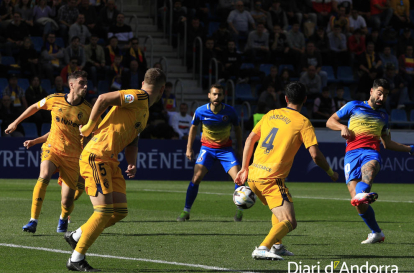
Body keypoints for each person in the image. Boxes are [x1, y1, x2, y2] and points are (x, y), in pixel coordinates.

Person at [63, 68, 166, 272]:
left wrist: (132, 162)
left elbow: (132, 140)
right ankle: (76, 259)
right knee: (103, 212)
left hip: (111, 160)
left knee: (119, 211)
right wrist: (90, 126)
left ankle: (76, 236)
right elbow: (102, 98)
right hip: (97, 156)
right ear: (162, 89)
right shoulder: (138, 96)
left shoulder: (143, 111)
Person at [234, 81, 339, 260]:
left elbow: (250, 139)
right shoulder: (303, 122)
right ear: (305, 99)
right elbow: (315, 155)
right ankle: (262, 248)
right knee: (289, 221)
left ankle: (277, 246)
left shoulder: (271, 114)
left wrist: (244, 168)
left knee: (278, 212)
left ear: (285, 98)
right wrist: (330, 172)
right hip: (271, 179)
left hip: (253, 175)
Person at [326, 78, 414, 244]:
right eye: (380, 93)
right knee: (358, 202)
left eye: (386, 95)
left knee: (370, 169)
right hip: (351, 155)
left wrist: (410, 148)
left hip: (371, 152)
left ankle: (363, 193)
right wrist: (342, 127)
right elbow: (330, 121)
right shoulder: (354, 105)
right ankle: (376, 233)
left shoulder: (383, 116)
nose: (382, 98)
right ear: (371, 91)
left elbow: (387, 144)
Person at [4, 71, 92, 234]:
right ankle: (33, 220)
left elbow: (94, 133)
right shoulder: (55, 99)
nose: (85, 86)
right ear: (71, 84)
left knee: (66, 201)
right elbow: (34, 107)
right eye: (82, 83)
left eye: (86, 83)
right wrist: (16, 122)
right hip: (53, 148)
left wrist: (85, 134)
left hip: (73, 156)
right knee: (44, 175)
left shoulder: (88, 110)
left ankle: (64, 217)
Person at [176, 84, 243, 222]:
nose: (217, 97)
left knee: (238, 179)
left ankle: (240, 209)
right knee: (196, 178)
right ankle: (186, 211)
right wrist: (189, 148)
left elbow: (237, 129)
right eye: (214, 94)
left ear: (223, 96)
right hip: (207, 149)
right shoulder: (200, 111)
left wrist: (240, 147)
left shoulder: (230, 112)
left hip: (225, 150)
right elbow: (193, 128)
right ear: (209, 95)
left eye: (219, 94)